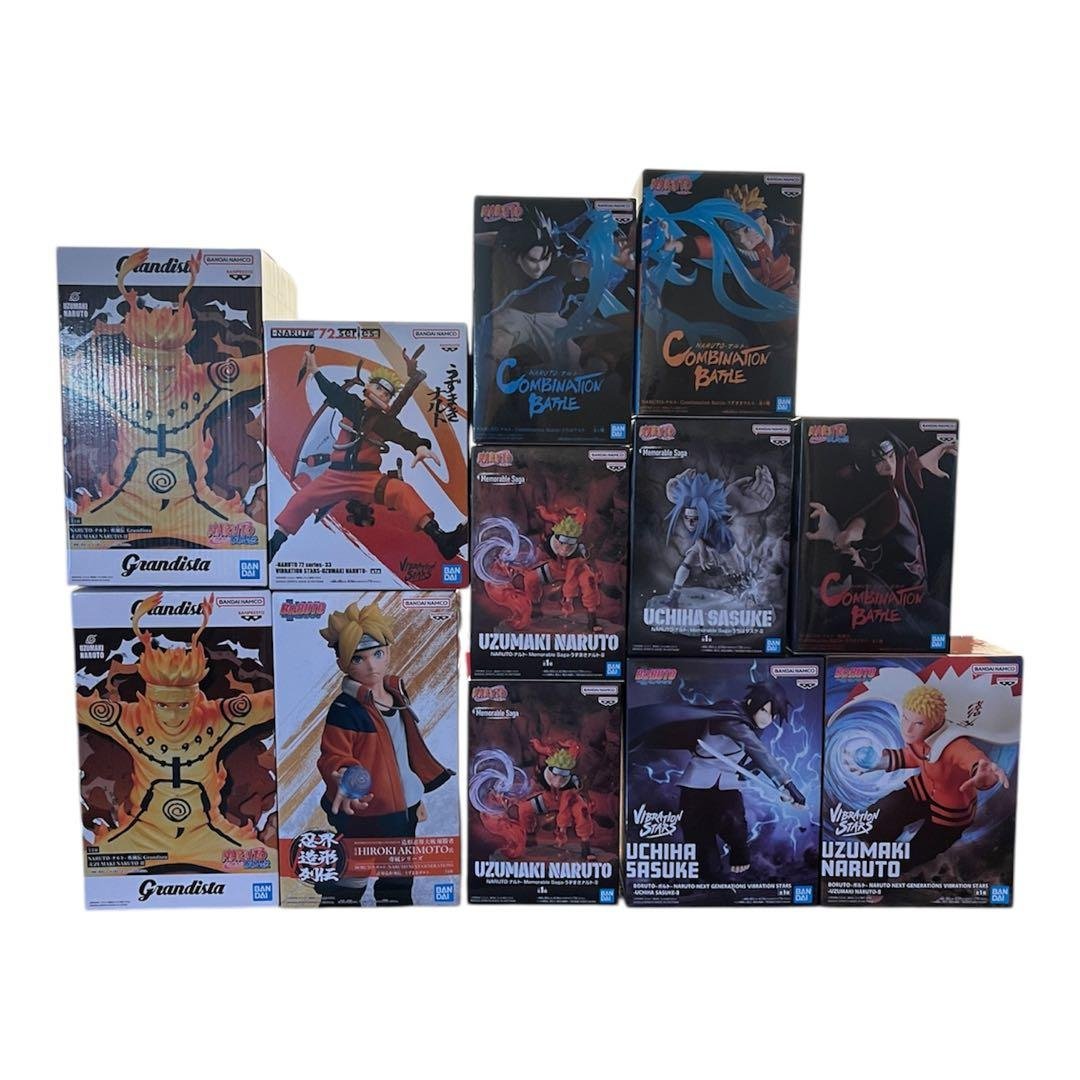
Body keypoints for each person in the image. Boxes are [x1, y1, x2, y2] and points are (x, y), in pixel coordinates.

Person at [268, 347, 467, 562]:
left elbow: (403, 435)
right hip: (335, 476)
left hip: (368, 479)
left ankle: (442, 539)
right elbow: (332, 391)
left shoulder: (384, 422)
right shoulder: (350, 405)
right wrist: (315, 369)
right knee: (301, 499)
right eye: (378, 388)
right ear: (368, 387)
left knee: (402, 491)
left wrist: (419, 447)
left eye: (386, 393)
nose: (381, 394)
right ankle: (273, 545)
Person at [315, 599, 453, 905]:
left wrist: (414, 798)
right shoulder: (345, 708)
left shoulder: (396, 694)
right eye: (358, 658)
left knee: (397, 884)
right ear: (342, 663)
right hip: (363, 811)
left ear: (389, 651)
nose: (371, 666)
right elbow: (333, 755)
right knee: (349, 881)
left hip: (402, 812)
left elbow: (403, 753)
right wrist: (345, 777)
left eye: (378, 654)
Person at [631, 681, 805, 875]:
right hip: (696, 784)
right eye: (764, 710)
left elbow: (754, 758)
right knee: (699, 839)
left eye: (772, 715)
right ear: (752, 702)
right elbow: (757, 749)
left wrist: (782, 789)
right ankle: (709, 879)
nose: (767, 719)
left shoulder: (755, 726)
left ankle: (736, 858)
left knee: (735, 824)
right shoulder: (730, 715)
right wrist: (788, 785)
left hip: (727, 785)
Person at [845, 684, 1008, 867]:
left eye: (919, 723)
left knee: (914, 854)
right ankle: (870, 857)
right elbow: (912, 755)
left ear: (935, 723)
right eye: (905, 718)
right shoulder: (918, 738)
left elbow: (971, 757)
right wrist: (879, 763)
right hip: (922, 790)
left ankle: (883, 872)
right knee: (876, 818)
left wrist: (984, 773)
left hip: (950, 813)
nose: (907, 729)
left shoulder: (954, 744)